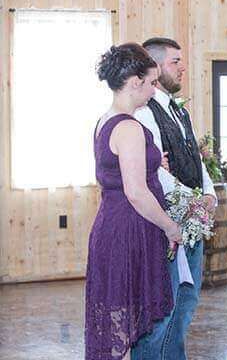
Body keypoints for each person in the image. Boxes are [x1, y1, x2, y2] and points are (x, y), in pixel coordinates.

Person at [85, 43, 182, 360]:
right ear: (135, 82)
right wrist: (171, 227)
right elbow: (136, 192)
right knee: (125, 327)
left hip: (114, 227)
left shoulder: (104, 121)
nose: (155, 91)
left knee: (121, 322)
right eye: (152, 83)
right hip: (129, 232)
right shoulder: (128, 127)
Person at [132, 37, 217, 360]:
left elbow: (194, 159)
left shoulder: (180, 112)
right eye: (175, 62)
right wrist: (190, 201)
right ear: (154, 67)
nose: (182, 67)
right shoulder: (144, 113)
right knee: (163, 309)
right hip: (166, 223)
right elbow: (154, 171)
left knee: (186, 303)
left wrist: (208, 195)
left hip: (191, 221)